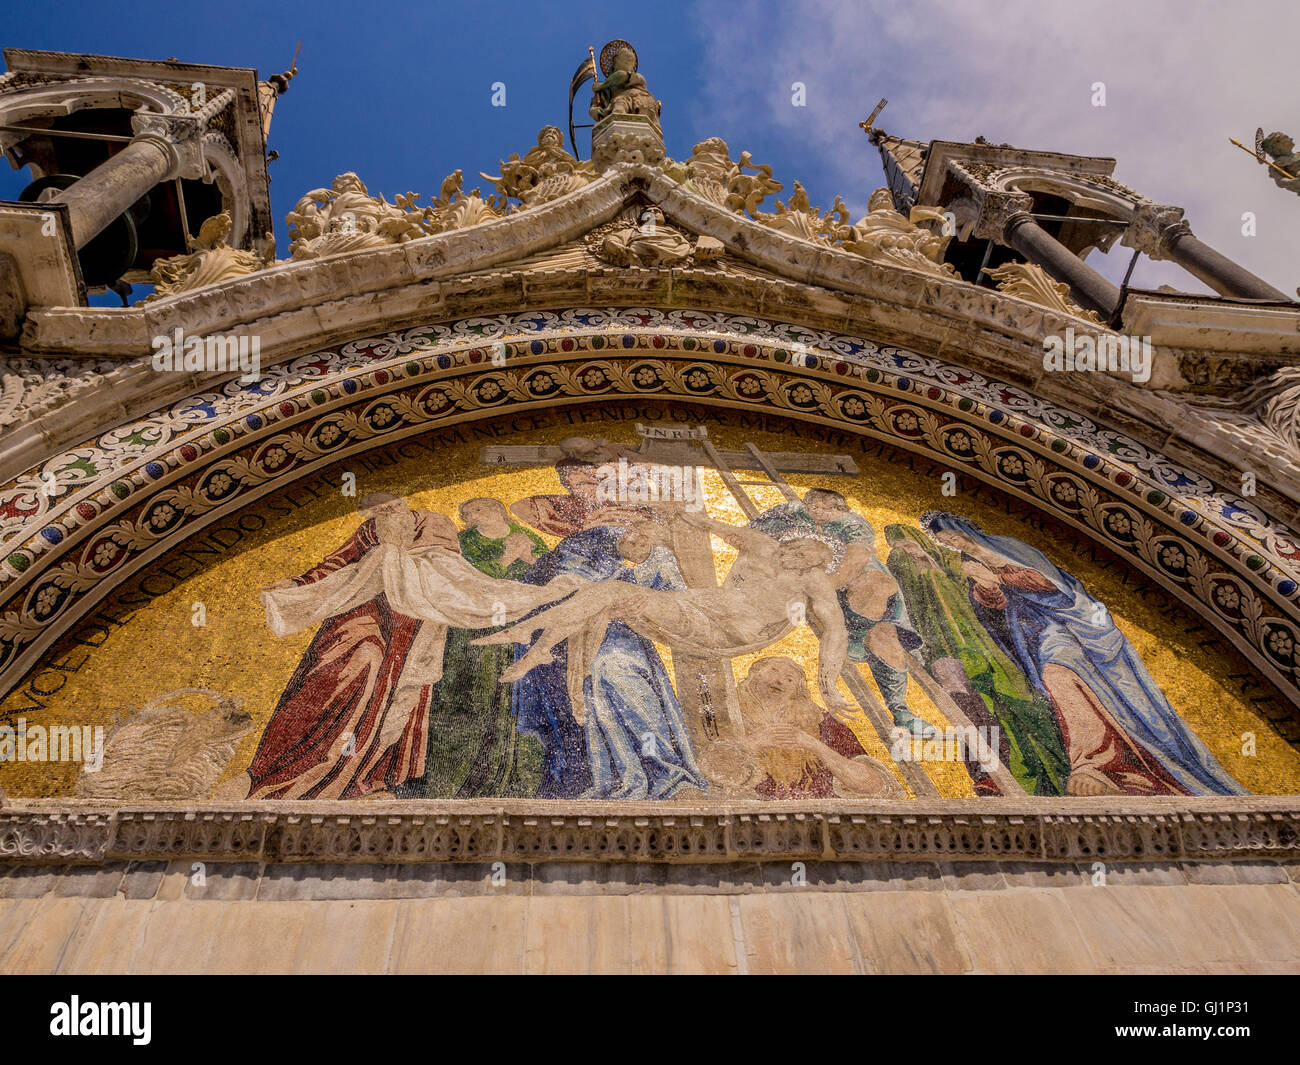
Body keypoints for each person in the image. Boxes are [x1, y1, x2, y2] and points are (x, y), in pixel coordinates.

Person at [232, 493, 578, 799]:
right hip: (362, 611)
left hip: (414, 626)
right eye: (375, 511)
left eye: (390, 507)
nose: (384, 515)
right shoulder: (369, 535)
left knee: (398, 697)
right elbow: (337, 564)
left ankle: (367, 779)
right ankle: (281, 770)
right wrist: (297, 583)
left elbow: (456, 574)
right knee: (342, 669)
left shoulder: (435, 525)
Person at [920, 511, 1245, 796]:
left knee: (1060, 675)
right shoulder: (968, 565)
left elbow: (1056, 588)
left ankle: (1094, 763)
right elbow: (993, 615)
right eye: (944, 540)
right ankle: (1104, 768)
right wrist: (987, 590)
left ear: (965, 530)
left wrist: (1003, 577)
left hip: (1070, 627)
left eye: (951, 535)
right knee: (1055, 681)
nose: (951, 543)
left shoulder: (1009, 548)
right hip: (1030, 638)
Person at [479, 509, 855, 715]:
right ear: (793, 542)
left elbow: (836, 630)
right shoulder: (761, 545)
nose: (804, 559)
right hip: (693, 606)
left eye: (813, 560)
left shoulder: (813, 583)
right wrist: (674, 513)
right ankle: (549, 660)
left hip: (722, 631)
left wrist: (829, 683)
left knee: (608, 594)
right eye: (803, 550)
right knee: (603, 599)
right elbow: (710, 524)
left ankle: (528, 634)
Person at [507, 521, 706, 799]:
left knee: (623, 681)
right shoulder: (586, 548)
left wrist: (649, 604)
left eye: (649, 541)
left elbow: (680, 602)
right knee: (596, 691)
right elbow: (563, 587)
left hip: (626, 640)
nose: (640, 543)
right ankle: (620, 776)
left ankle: (667, 773)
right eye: (637, 537)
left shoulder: (660, 559)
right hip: (578, 642)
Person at [884, 524, 1068, 795]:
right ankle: (991, 776)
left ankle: (1051, 772)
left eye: (907, 544)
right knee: (969, 709)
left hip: (984, 643)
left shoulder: (956, 565)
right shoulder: (907, 574)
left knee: (1020, 700)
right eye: (897, 549)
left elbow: (994, 590)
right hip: (941, 651)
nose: (905, 552)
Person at [396, 498, 548, 799]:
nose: (471, 516)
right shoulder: (463, 542)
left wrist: (528, 557)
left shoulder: (527, 537)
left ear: (497, 510)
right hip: (469, 632)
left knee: (511, 706)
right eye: (466, 514)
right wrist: (506, 559)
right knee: (466, 702)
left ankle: (508, 781)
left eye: (478, 509)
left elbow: (549, 577)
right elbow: (462, 582)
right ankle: (450, 779)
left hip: (520, 631)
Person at [749, 489, 935, 734]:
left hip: (854, 586)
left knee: (883, 632)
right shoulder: (792, 511)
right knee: (877, 633)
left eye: (825, 507)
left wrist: (818, 587)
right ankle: (858, 639)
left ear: (839, 509)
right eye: (813, 505)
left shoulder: (854, 525)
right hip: (807, 575)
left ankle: (900, 709)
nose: (817, 511)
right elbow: (751, 532)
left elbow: (852, 564)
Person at [724, 657, 897, 799]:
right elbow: (707, 772)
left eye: (789, 679)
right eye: (773, 671)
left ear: (796, 692)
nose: (779, 681)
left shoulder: (822, 723)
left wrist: (812, 744)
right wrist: (754, 742)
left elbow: (874, 786)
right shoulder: (724, 710)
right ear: (753, 673)